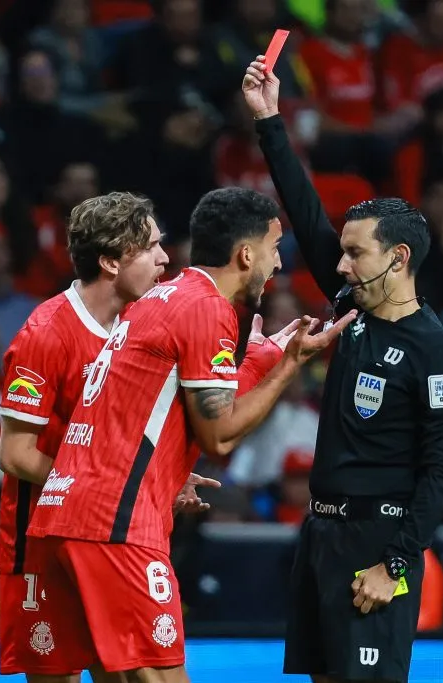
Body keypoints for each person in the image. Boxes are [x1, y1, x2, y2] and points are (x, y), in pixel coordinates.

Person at [26, 187, 355, 681]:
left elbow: (164, 406)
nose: (279, 265)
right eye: (274, 249)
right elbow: (219, 436)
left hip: (64, 517)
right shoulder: (207, 309)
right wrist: (291, 367)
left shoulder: (161, 298)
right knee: (161, 675)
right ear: (246, 254)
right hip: (115, 525)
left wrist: (261, 358)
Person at [243, 56, 443, 683]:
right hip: (322, 535)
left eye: (353, 253)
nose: (338, 266)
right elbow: (305, 210)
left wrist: (395, 566)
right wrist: (269, 120)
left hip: (377, 546)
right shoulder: (352, 308)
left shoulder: (434, 349)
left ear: (397, 259)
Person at [0, 191, 221, 683]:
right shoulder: (45, 332)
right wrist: (99, 488)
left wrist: (159, 478)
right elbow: (14, 455)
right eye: (151, 247)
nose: (166, 259)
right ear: (110, 261)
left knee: (123, 672)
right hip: (40, 538)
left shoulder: (145, 324)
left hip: (113, 534)